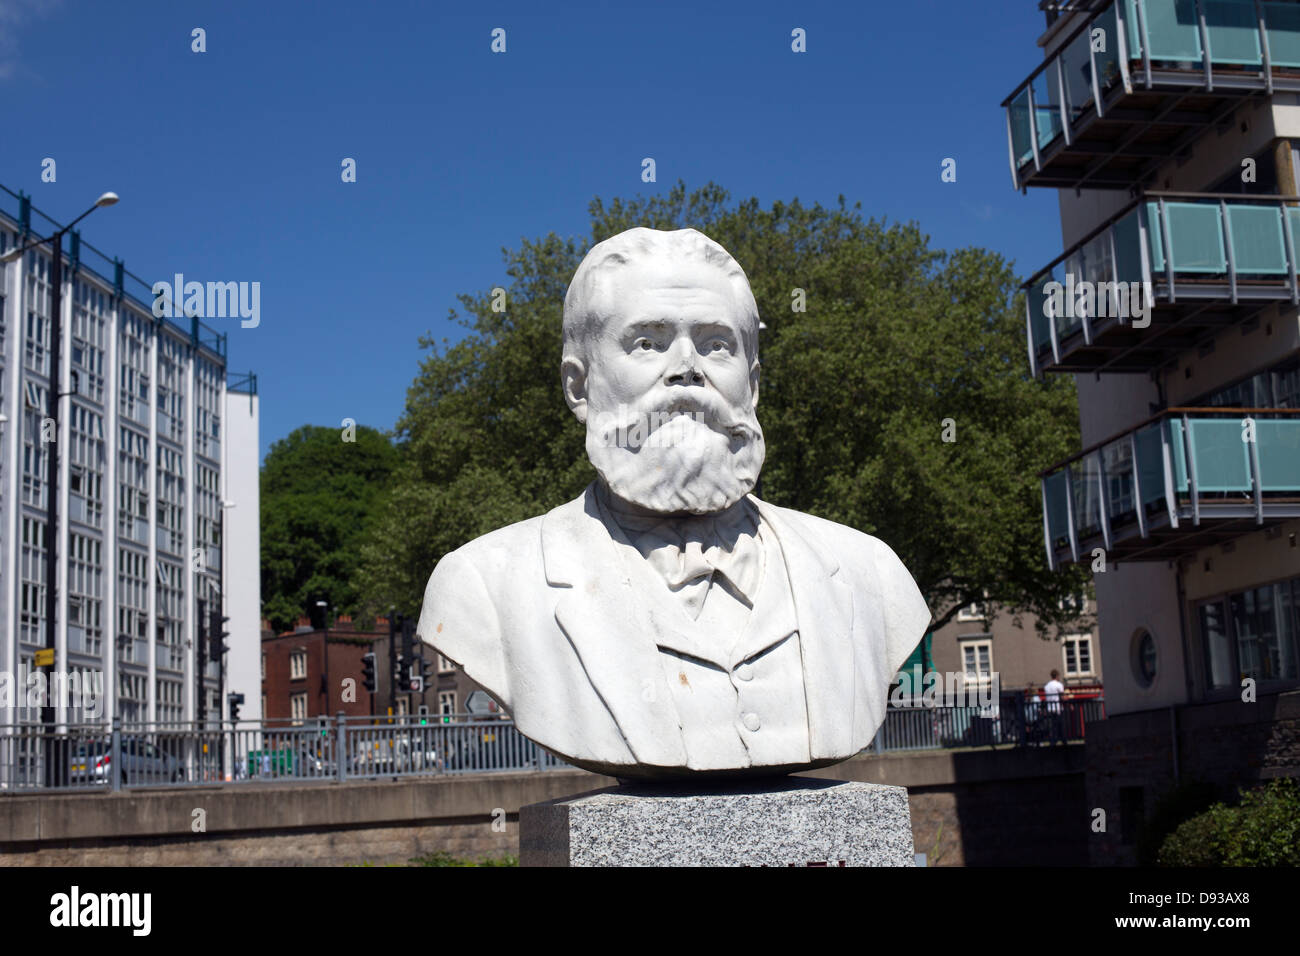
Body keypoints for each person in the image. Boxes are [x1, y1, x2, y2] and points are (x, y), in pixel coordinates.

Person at [417, 227, 931, 779]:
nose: (687, 368)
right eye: (648, 342)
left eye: (716, 344)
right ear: (579, 387)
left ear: (752, 386)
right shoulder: (483, 584)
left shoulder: (867, 570)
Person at [1044, 669, 1066, 745]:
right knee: (1061, 726)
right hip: (1058, 708)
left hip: (1050, 708)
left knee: (1053, 726)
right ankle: (1063, 741)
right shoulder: (1059, 685)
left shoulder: (1046, 686)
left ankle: (1053, 741)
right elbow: (1062, 697)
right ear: (1057, 676)